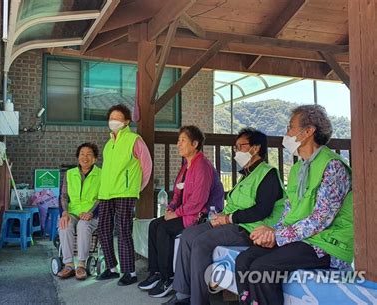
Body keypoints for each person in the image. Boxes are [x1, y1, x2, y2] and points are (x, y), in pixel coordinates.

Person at [235, 105, 353, 305]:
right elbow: (289, 210)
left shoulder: (333, 167)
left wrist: (278, 236)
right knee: (244, 261)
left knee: (262, 268)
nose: (286, 133)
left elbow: (320, 219)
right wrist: (272, 231)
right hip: (302, 239)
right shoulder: (298, 167)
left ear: (308, 132)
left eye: (290, 127)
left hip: (327, 244)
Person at [164, 128, 286, 305]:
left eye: (240, 146)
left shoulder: (268, 174)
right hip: (230, 222)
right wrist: (221, 216)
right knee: (189, 235)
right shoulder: (246, 175)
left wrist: (228, 219)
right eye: (235, 147)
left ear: (256, 148)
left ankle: (198, 301)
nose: (237, 151)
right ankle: (183, 294)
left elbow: (262, 210)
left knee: (201, 242)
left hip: (249, 229)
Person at [138, 125, 224, 298]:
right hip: (186, 212)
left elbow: (198, 202)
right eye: (178, 140)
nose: (178, 144)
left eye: (183, 140)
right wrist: (171, 208)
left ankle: (167, 277)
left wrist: (176, 214)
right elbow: (177, 193)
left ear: (195, 143)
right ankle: (155, 273)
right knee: (154, 225)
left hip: (201, 215)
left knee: (164, 229)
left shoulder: (202, 166)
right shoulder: (186, 166)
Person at [96, 104, 152, 286]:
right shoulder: (108, 144)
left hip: (125, 193)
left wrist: (136, 187)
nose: (113, 121)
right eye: (111, 118)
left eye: (118, 118)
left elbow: (147, 165)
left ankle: (130, 272)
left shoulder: (134, 140)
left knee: (123, 231)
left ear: (127, 121)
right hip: (106, 193)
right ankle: (111, 268)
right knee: (103, 229)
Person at [57, 143, 101, 280]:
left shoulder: (102, 174)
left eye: (89, 154)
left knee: (83, 225)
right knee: (64, 224)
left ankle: (81, 264)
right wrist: (64, 213)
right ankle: (68, 264)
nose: (85, 157)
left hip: (92, 214)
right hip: (73, 212)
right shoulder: (70, 174)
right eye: (82, 154)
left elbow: (103, 198)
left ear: (95, 159)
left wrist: (91, 213)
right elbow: (63, 196)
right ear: (78, 157)